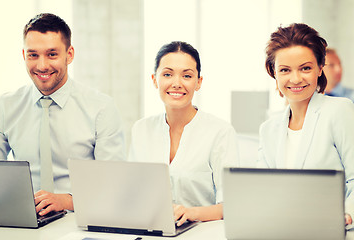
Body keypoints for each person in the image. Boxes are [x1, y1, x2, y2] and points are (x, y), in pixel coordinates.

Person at [0, 13, 126, 216]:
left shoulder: (101, 108)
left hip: (82, 220)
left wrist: (67, 200)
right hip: (24, 222)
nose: (42, 65)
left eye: (52, 54)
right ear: (24, 55)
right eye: (33, 55)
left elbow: (114, 186)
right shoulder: (6, 106)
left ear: (69, 54)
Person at [129, 41, 239, 226]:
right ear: (155, 80)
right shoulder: (141, 129)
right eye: (167, 74)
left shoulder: (220, 132)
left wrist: (190, 213)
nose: (177, 83)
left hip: (203, 232)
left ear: (198, 82)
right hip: (151, 230)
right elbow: (133, 193)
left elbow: (230, 205)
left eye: (187, 75)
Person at [258, 23, 354, 225]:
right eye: (285, 70)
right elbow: (263, 189)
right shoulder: (269, 129)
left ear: (320, 68)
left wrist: (346, 215)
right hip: (283, 228)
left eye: (306, 68)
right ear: (273, 73)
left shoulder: (339, 110)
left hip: (332, 228)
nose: (296, 79)